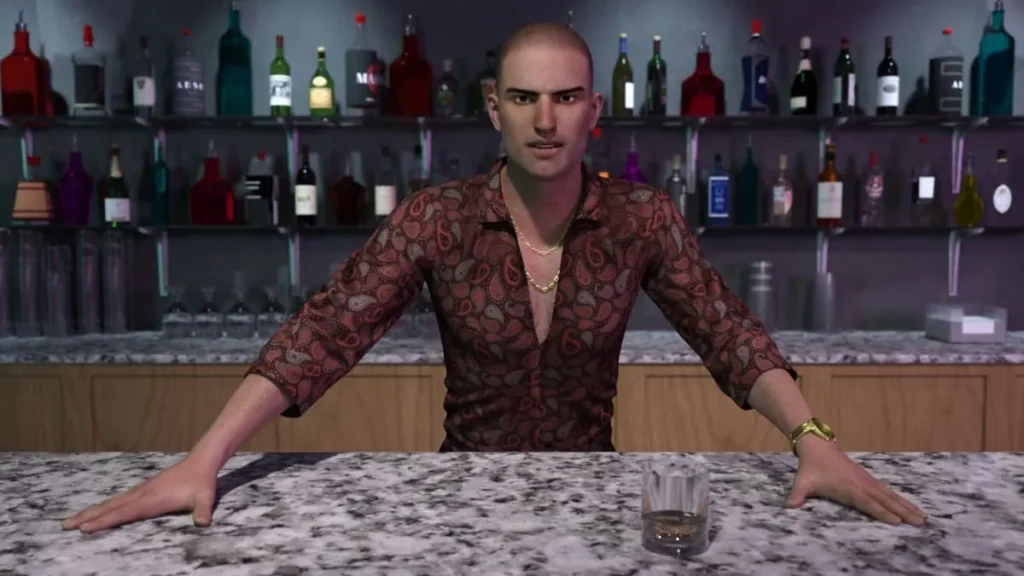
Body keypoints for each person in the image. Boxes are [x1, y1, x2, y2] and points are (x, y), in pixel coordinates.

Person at [63, 22, 926, 534]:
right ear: (493, 109)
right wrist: (206, 459)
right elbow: (324, 332)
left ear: (594, 110)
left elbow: (727, 331)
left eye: (566, 98)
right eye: (524, 99)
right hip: (461, 497)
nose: (546, 121)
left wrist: (812, 439)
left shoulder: (642, 219)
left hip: (595, 500)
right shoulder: (438, 218)